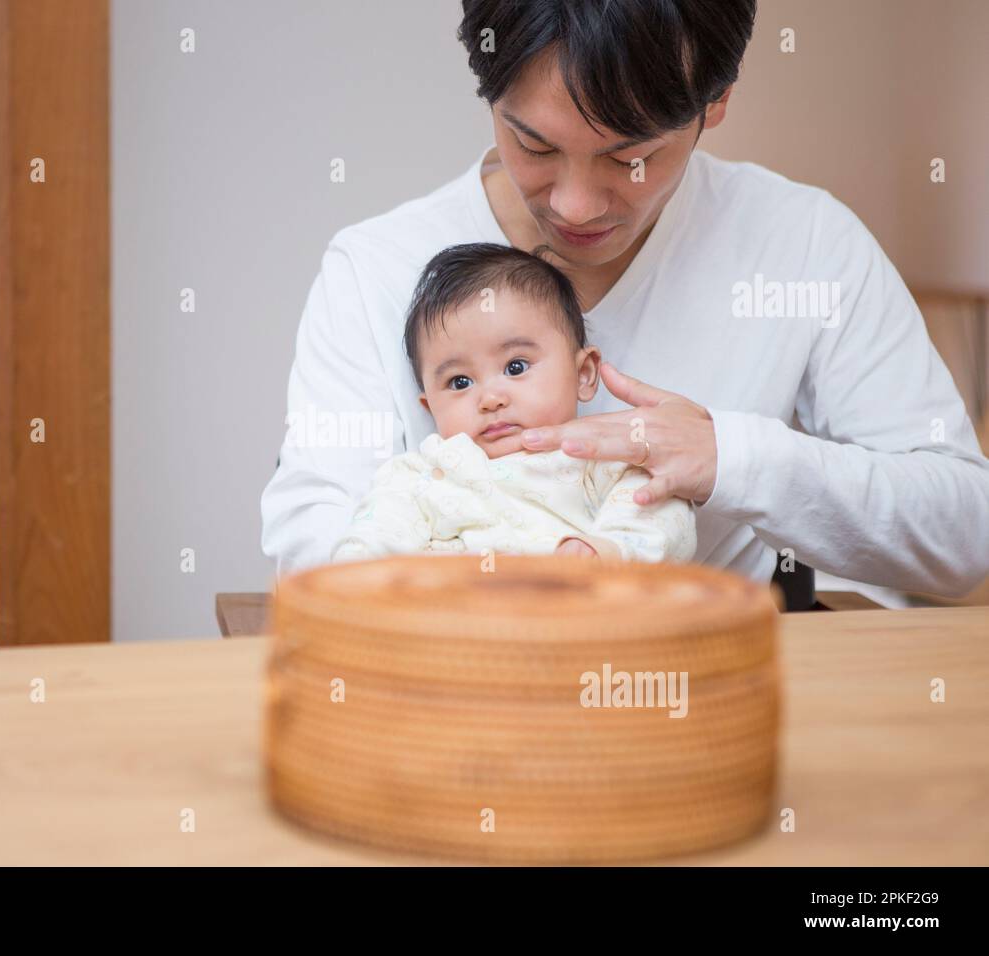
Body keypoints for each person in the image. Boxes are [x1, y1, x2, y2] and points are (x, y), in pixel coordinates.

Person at [261, 0, 989, 600]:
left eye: (628, 155)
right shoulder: (376, 268)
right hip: (459, 696)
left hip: (710, 702)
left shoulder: (802, 244)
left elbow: (965, 535)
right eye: (535, 145)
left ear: (719, 98)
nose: (576, 206)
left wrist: (731, 460)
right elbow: (315, 549)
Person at [331, 242, 696, 564]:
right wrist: (355, 570)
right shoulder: (422, 473)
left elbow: (663, 515)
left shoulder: (600, 459)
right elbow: (378, 529)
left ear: (583, 373)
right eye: (460, 382)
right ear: (430, 408)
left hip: (573, 617)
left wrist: (607, 551)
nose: (490, 398)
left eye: (515, 367)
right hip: (454, 624)